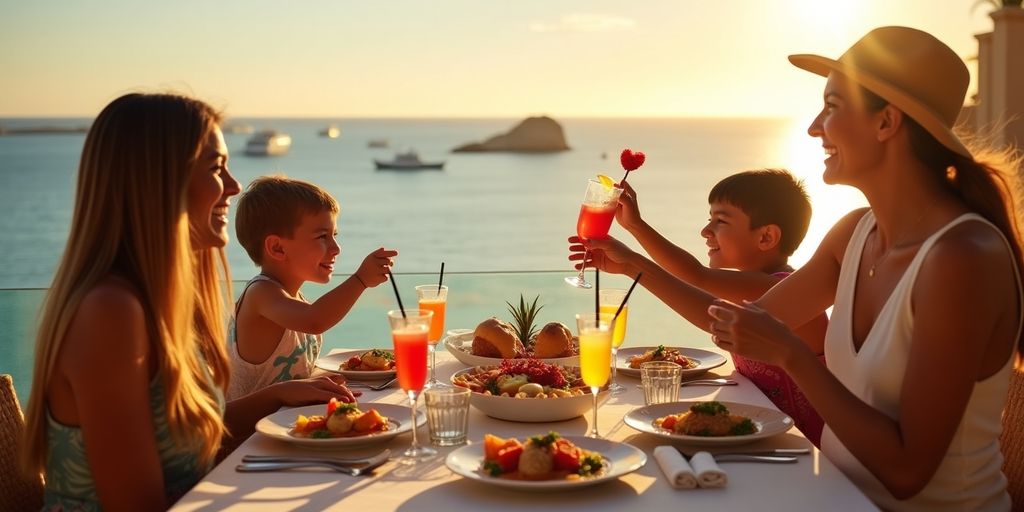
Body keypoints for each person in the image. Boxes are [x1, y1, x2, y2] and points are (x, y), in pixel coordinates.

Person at [570, 26, 1022, 510]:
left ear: (887, 122)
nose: (813, 127)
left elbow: (906, 471)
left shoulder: (963, 258)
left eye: (831, 107)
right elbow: (732, 325)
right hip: (830, 493)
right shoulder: (854, 233)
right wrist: (632, 263)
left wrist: (791, 355)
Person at [21, 93, 357, 511]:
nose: (234, 186)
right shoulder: (109, 312)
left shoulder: (166, 301)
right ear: (158, 182)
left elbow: (185, 434)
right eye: (217, 168)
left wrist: (277, 395)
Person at [613, 169, 828, 445]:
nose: (705, 231)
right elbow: (694, 277)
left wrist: (632, 255)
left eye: (721, 221)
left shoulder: (781, 289)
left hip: (805, 447)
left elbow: (696, 277)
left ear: (766, 237)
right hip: (763, 435)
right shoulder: (750, 287)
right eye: (709, 219)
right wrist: (634, 230)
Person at [228, 175, 397, 400]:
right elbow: (314, 320)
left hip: (288, 418)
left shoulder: (294, 299)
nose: (336, 248)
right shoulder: (260, 294)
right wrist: (360, 280)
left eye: (334, 235)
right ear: (277, 248)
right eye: (322, 237)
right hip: (254, 423)